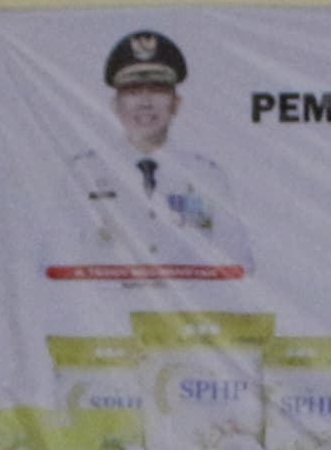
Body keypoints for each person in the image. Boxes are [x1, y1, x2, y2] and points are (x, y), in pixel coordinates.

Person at [59, 29, 246, 274]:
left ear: (175, 104)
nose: (146, 102)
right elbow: (54, 265)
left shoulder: (206, 177)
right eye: (134, 91)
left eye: (157, 90)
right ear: (115, 105)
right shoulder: (84, 173)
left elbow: (240, 269)